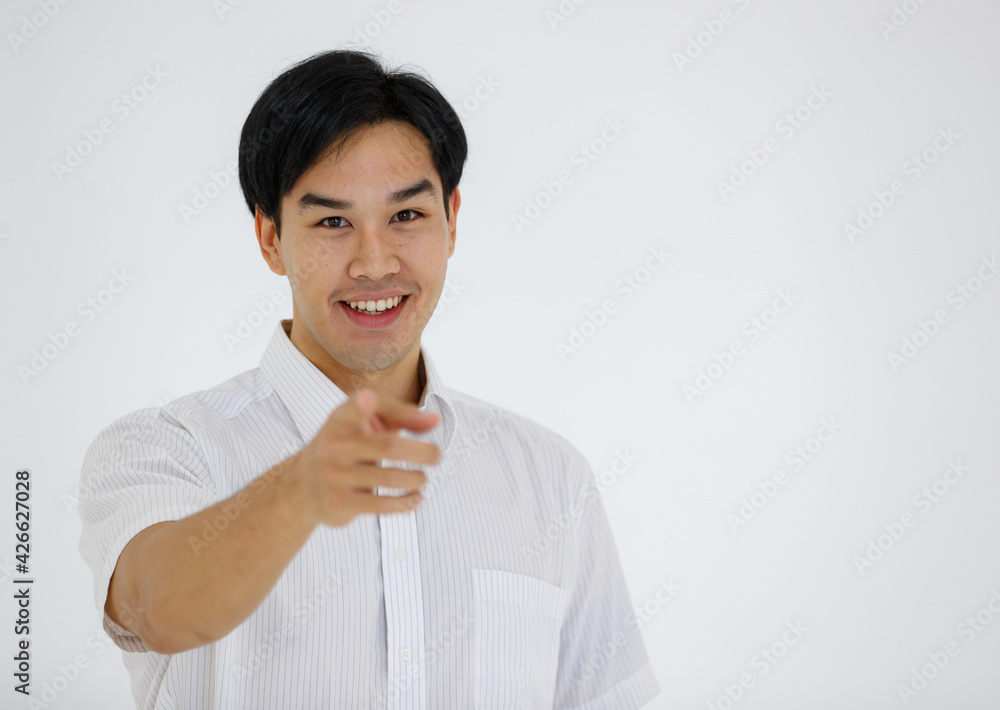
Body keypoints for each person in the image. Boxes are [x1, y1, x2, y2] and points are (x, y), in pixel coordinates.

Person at [77, 47, 661, 710]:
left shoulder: (552, 479)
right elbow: (158, 609)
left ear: (452, 220)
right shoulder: (166, 448)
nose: (374, 262)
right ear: (270, 238)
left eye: (407, 215)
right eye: (332, 221)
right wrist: (298, 490)